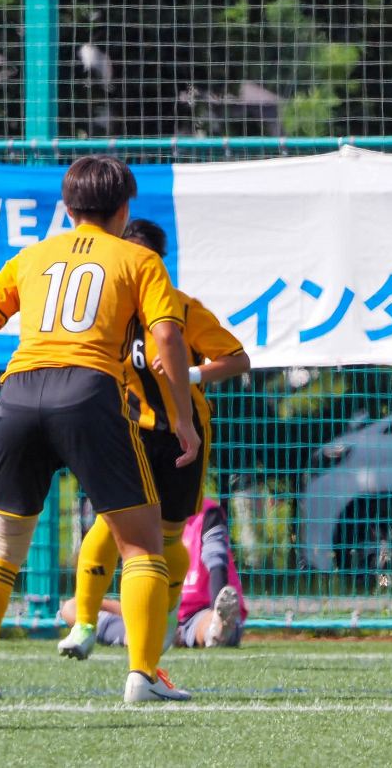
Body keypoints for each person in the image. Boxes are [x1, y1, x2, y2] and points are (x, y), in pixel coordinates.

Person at [0, 156, 199, 703]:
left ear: (68, 207)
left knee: (0, 548)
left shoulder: (31, 257)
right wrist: (182, 417)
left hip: (19, 393)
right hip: (90, 394)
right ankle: (143, 678)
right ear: (124, 209)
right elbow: (168, 339)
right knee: (144, 547)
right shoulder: (137, 260)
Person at [58, 218, 249, 660]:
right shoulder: (109, 314)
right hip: (129, 432)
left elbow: (239, 360)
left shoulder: (183, 310)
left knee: (167, 540)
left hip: (184, 437)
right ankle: (85, 624)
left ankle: (163, 623)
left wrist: (193, 372)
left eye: (150, 262)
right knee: (108, 522)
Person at [60, 499, 246, 649]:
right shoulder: (141, 513)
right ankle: (140, 636)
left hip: (196, 612)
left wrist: (215, 610)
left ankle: (217, 628)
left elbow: (217, 561)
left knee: (208, 625)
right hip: (152, 611)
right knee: (71, 609)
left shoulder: (208, 512)